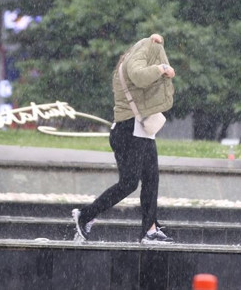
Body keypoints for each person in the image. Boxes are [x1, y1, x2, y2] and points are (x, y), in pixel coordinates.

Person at [72, 33, 176, 244]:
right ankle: (85, 215)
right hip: (129, 130)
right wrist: (161, 68)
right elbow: (139, 75)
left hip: (139, 130)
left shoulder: (136, 56)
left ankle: (150, 229)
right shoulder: (139, 54)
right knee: (129, 183)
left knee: (151, 180)